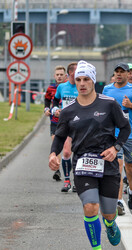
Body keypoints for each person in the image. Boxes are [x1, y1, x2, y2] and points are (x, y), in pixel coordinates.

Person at [49, 60, 131, 249]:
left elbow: (125, 128)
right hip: (82, 164)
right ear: (74, 81)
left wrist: (115, 148)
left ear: (93, 81)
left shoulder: (109, 104)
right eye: (78, 79)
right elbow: (60, 136)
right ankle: (96, 248)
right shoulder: (68, 111)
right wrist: (53, 153)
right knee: (91, 206)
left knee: (109, 213)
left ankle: (110, 224)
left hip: (108, 163)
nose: (82, 83)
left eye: (86, 79)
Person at [103, 62, 132, 214]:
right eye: (116, 71)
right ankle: (118, 201)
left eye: (121, 72)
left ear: (127, 74)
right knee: (118, 167)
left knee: (130, 167)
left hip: (130, 135)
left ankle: (131, 189)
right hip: (112, 135)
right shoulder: (107, 89)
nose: (118, 74)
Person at [52, 62, 78, 192]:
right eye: (75, 73)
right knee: (67, 152)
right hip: (66, 124)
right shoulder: (62, 87)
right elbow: (55, 100)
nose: (78, 76)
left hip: (80, 125)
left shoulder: (83, 86)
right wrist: (55, 109)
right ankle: (67, 180)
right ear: (69, 74)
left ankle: (76, 181)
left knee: (78, 153)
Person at [44, 65, 67, 181]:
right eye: (57, 75)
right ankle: (57, 170)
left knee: (68, 149)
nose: (59, 77)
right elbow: (47, 100)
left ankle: (69, 167)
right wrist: (46, 109)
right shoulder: (51, 88)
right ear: (54, 76)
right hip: (54, 120)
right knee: (55, 143)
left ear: (65, 76)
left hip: (68, 122)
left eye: (61, 75)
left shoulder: (69, 87)